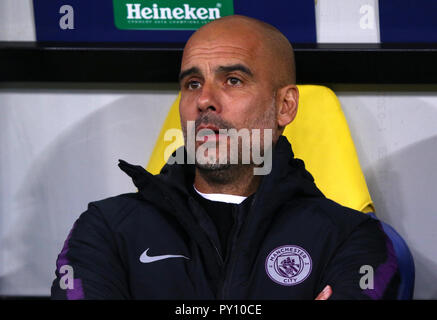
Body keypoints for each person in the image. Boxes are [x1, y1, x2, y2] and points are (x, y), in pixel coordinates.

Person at [51, 15, 399, 300]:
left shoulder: (353, 238)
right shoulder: (106, 228)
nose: (204, 100)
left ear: (285, 106)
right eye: (192, 84)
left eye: (232, 80)